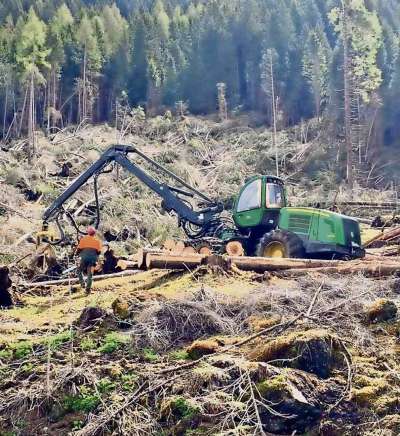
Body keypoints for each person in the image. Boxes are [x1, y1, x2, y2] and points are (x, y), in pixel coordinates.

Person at [76, 227, 102, 294]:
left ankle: (82, 284)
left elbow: (78, 249)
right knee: (90, 274)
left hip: (84, 258)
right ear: (94, 233)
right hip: (93, 259)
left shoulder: (83, 239)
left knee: (79, 270)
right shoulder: (97, 241)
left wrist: (76, 254)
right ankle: (88, 290)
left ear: (88, 232)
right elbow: (99, 252)